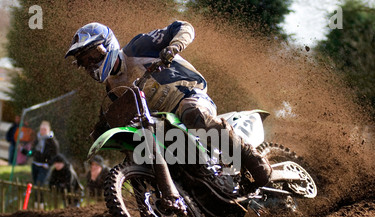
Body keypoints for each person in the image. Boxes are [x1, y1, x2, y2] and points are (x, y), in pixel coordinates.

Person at [65, 21, 271, 189]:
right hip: (162, 123)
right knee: (143, 154)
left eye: (93, 56)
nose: (91, 64)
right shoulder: (112, 88)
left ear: (108, 45)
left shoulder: (138, 47)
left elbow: (183, 27)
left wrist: (174, 47)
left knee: (192, 114)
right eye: (84, 61)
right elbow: (112, 112)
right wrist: (99, 127)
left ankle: (252, 158)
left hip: (189, 96)